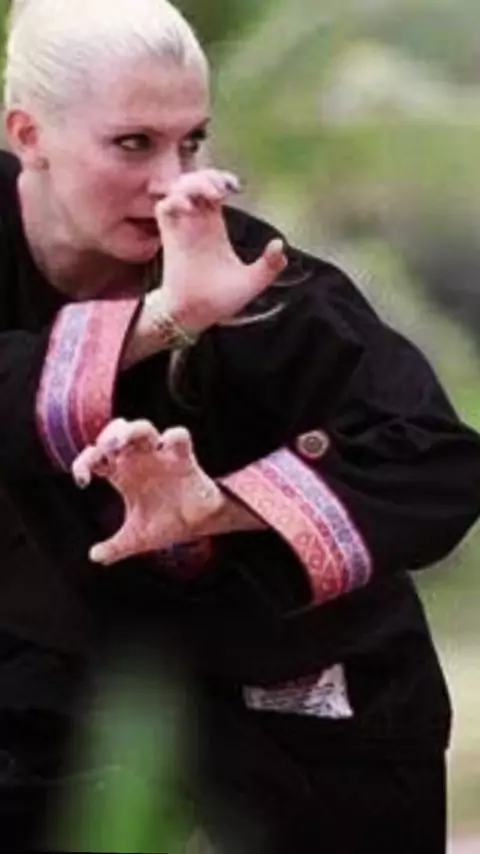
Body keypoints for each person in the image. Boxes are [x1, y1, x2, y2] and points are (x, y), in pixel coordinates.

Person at [0, 0, 479, 851]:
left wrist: (220, 507)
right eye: (133, 144)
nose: (172, 180)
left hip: (303, 712)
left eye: (192, 142)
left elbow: (438, 459)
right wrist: (163, 320)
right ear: (27, 134)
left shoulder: (257, 275)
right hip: (57, 705)